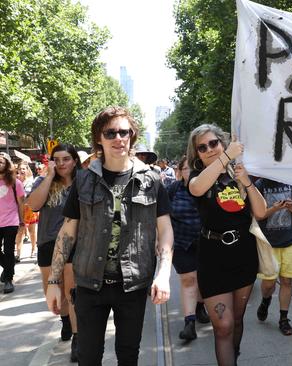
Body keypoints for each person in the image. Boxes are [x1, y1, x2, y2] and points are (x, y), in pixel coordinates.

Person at [45, 106, 174, 365]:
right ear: (99, 138)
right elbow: (67, 232)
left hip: (133, 285)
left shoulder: (152, 180)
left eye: (124, 132)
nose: (118, 138)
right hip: (90, 284)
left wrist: (163, 274)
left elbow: (165, 230)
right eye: (110, 132)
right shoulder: (82, 181)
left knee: (128, 356)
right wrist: (53, 283)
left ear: (132, 136)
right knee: (88, 357)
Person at [186, 124, 266, 365]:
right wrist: (227, 155)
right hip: (212, 259)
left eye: (214, 143)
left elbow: (261, 212)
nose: (209, 149)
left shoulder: (238, 173)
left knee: (238, 320)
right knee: (223, 326)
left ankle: (234, 356)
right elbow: (198, 188)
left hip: (244, 256)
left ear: (221, 142)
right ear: (197, 154)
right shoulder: (196, 176)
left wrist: (247, 182)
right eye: (203, 147)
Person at [26, 144, 81, 361]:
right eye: (56, 160)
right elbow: (33, 204)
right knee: (55, 293)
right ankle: (66, 321)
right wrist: (49, 176)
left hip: (76, 243)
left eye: (66, 159)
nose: (61, 164)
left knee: (73, 291)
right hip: (48, 243)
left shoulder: (83, 181)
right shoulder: (44, 181)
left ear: (75, 160)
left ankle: (77, 338)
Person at [255, 178, 292, 336]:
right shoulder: (259, 185)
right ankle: (265, 300)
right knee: (269, 284)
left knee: (287, 281)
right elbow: (257, 216)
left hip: (291, 241)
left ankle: (283, 319)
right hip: (269, 244)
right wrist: (274, 209)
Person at [166, 156, 209, 342]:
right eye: (186, 169)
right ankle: (189, 323)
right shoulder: (172, 190)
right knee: (188, 279)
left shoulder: (208, 189)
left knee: (203, 279)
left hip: (207, 243)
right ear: (179, 172)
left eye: (193, 169)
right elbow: (162, 217)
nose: (190, 173)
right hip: (181, 243)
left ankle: (200, 306)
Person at [0, 152, 25, 294]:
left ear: (7, 165)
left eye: (1, 162)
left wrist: (21, 220)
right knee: (7, 256)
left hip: (11, 220)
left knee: (9, 250)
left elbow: (21, 204)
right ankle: (8, 267)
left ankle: (8, 279)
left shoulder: (16, 182)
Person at [15, 160, 38, 262]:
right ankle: (18, 254)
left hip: (30, 209)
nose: (21, 170)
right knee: (19, 232)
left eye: (23, 168)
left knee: (31, 231)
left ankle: (33, 249)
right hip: (19, 209)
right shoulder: (15, 181)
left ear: (27, 170)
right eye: (20, 169)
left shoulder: (31, 181)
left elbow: (31, 195)